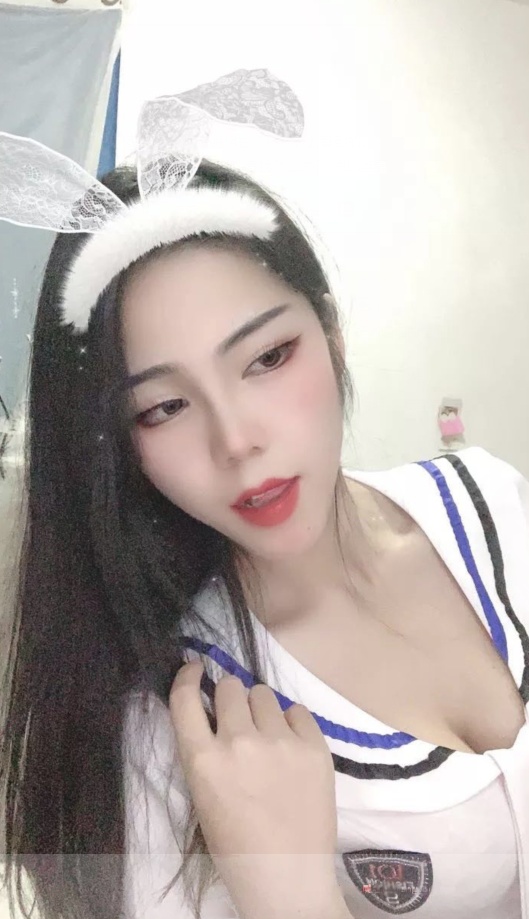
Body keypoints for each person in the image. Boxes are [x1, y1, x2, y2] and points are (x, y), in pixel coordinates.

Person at [0, 73, 529, 919]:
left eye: (267, 357)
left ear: (330, 333)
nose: (236, 439)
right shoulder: (178, 719)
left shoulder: (492, 504)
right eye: (163, 407)